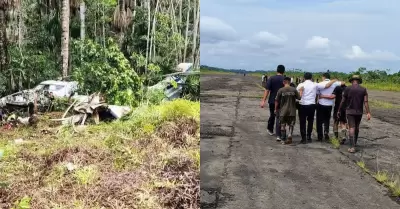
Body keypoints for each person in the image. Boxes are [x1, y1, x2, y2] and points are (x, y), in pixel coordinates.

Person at [297, 72, 339, 143]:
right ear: (311, 78)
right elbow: (327, 85)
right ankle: (309, 137)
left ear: (304, 78)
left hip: (302, 105)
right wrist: (334, 80)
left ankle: (303, 138)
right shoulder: (315, 84)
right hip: (312, 105)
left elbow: (297, 94)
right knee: (310, 121)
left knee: (302, 122)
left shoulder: (300, 85)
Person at [338, 75, 371, 153]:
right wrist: (368, 112)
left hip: (350, 112)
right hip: (359, 112)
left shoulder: (347, 89)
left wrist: (339, 110)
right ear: (359, 81)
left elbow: (343, 101)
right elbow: (365, 102)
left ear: (352, 81)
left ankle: (352, 147)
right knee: (357, 127)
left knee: (351, 127)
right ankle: (354, 143)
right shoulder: (363, 89)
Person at [315, 73, 345, 142]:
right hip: (329, 105)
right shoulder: (335, 83)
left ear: (323, 77)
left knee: (319, 121)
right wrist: (335, 81)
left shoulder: (320, 84)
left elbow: (317, 94)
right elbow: (343, 83)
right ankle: (326, 132)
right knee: (327, 120)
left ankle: (320, 136)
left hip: (321, 104)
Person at [261, 65, 285, 141]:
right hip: (283, 101)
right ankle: (280, 132)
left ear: (276, 70)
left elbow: (267, 90)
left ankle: (270, 129)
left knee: (272, 115)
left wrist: (263, 101)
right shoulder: (285, 79)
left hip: (272, 100)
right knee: (281, 117)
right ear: (283, 71)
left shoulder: (271, 78)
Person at [275, 77, 301, 145]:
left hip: (283, 111)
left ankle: (283, 139)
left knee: (283, 125)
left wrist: (275, 109)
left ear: (284, 82)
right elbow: (299, 98)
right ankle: (289, 135)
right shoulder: (294, 90)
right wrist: (301, 91)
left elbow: (277, 101)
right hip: (292, 110)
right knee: (291, 125)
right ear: (290, 82)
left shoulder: (281, 90)